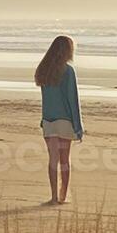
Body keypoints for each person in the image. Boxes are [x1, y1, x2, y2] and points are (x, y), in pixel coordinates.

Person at [35, 35, 83, 204]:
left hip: (49, 121)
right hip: (64, 122)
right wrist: (78, 127)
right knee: (64, 160)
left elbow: (45, 99)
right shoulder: (67, 71)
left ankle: (54, 196)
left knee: (52, 160)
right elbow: (72, 100)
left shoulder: (43, 70)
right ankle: (63, 195)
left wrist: (43, 119)